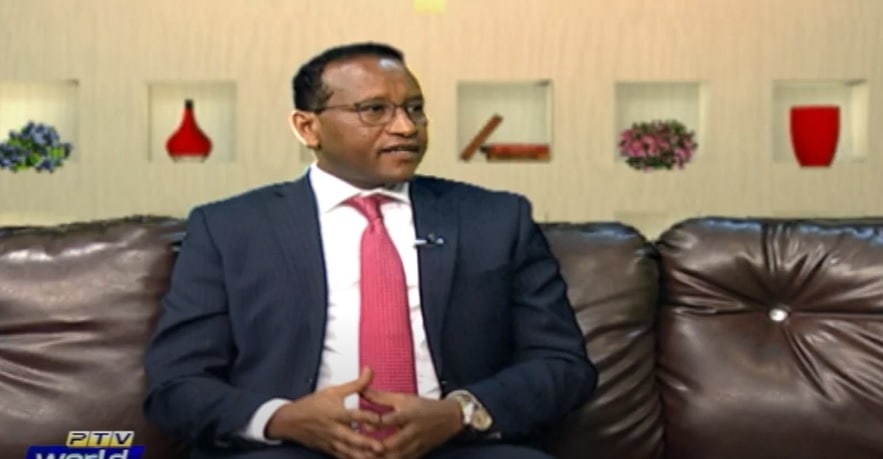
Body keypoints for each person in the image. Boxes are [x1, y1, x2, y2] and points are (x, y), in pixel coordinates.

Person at [143, 42, 597, 459]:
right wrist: (283, 418)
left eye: (414, 109)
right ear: (307, 127)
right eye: (374, 110)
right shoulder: (229, 228)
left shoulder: (496, 220)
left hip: (455, 446)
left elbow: (561, 365)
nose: (405, 127)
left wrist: (458, 413)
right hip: (289, 449)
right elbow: (177, 384)